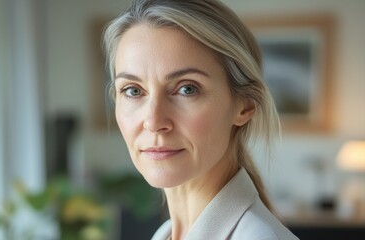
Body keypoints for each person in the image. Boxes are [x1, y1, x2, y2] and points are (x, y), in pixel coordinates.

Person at [103, 0, 298, 239]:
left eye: (187, 89)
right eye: (133, 90)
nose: (153, 122)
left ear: (245, 104)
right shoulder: (164, 235)